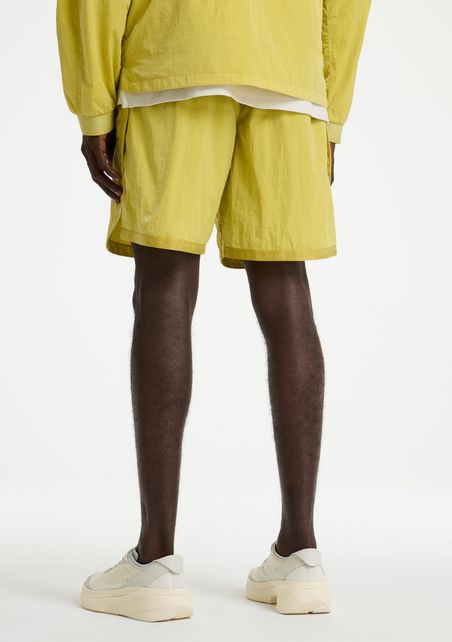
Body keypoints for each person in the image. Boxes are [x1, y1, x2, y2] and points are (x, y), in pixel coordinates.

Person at [56, 0, 371, 623]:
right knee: (287, 290)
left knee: (165, 285)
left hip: (175, 57)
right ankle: (300, 554)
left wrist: (94, 109)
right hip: (289, 72)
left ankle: (155, 562)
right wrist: (330, 112)